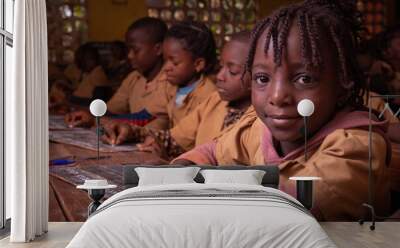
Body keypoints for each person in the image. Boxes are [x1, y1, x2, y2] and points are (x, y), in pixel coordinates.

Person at [172, 0, 391, 221]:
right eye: (262, 78)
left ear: (343, 86)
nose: (277, 97)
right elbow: (213, 151)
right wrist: (181, 172)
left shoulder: (358, 147)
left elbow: (290, 205)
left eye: (304, 79)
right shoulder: (258, 128)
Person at [101, 31, 252, 160]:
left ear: (259, 76)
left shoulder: (260, 120)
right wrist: (136, 133)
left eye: (232, 72)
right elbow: (176, 138)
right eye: (221, 67)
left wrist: (174, 167)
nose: (220, 76)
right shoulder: (216, 101)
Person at [64, 17, 173, 130]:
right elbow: (110, 111)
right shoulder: (134, 78)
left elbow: (145, 119)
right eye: (128, 50)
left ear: (158, 49)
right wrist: (87, 115)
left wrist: (95, 120)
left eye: (135, 50)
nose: (129, 56)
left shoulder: (170, 79)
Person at [49, 43, 109, 111]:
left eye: (81, 61)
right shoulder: (90, 73)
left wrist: (70, 99)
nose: (79, 65)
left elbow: (97, 103)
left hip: (82, 110)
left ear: (90, 60)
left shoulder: (98, 74)